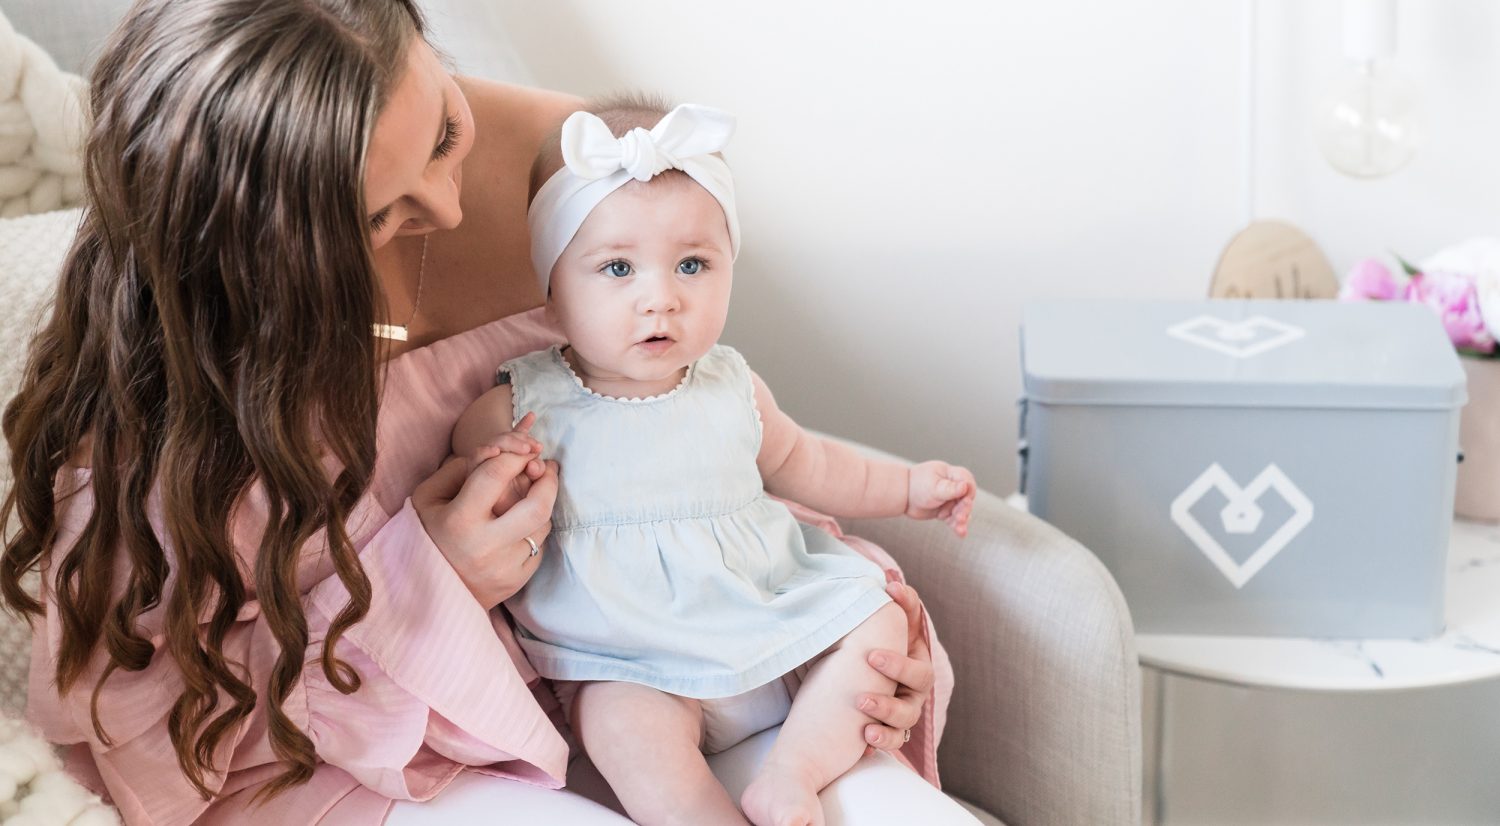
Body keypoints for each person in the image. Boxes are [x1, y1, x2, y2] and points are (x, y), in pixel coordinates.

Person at [0, 1, 953, 823]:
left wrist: (840, 648)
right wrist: (427, 579)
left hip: (645, 674)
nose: (450, 209)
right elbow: (169, 734)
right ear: (266, 250)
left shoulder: (587, 163)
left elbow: (696, 455)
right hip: (359, 761)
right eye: (378, 217)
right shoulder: (190, 388)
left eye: (445, 131)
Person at [450, 98, 976, 826]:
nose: (660, 299)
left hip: (770, 623)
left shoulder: (732, 385)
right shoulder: (520, 406)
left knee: (879, 622)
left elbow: (808, 461)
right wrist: (491, 470)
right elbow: (466, 513)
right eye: (617, 269)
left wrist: (909, 487)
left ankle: (791, 773)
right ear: (550, 289)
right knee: (617, 725)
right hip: (633, 663)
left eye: (692, 264)